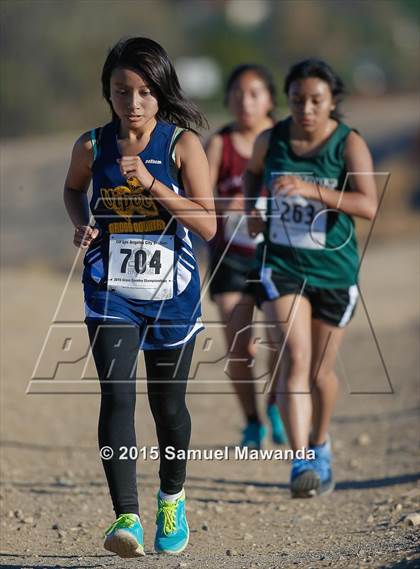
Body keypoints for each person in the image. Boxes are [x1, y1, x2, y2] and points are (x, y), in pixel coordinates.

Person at [63, 37, 216, 557]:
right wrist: (83, 225)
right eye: (121, 91)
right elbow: (72, 190)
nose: (133, 103)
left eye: (145, 92)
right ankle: (125, 516)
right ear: (107, 93)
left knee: (167, 406)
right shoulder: (92, 146)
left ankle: (171, 498)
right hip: (111, 291)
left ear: (160, 93)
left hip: (172, 292)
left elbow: (208, 224)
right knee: (118, 396)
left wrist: (152, 183)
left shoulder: (181, 146)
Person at [244, 59, 377, 497]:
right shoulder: (272, 139)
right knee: (295, 358)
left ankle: (320, 444)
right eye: (298, 99)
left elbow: (367, 204)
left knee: (320, 371)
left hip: (334, 272)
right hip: (282, 265)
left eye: (316, 100)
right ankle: (301, 463)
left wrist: (313, 190)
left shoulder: (348, 143)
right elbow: (251, 173)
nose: (306, 108)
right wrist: (252, 208)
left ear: (331, 102)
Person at [205, 64, 287, 449]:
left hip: (277, 255)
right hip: (231, 259)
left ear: (270, 99)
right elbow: (198, 199)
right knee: (240, 349)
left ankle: (274, 403)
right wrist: (228, 203)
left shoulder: (284, 141)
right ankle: (252, 421)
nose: (245, 101)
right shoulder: (220, 144)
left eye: (254, 93)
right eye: (237, 93)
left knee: (282, 339)